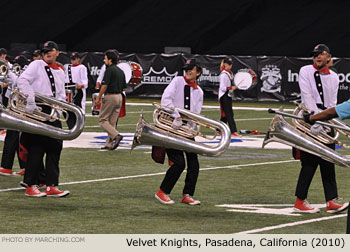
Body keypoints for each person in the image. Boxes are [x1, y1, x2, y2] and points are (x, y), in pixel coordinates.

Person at [293, 44, 348, 213]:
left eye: (321, 54)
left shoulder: (333, 77)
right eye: (315, 54)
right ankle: (300, 201)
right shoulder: (305, 70)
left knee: (329, 160)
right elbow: (307, 95)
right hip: (309, 119)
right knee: (309, 162)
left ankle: (331, 201)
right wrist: (315, 120)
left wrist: (327, 122)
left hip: (326, 121)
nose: (317, 56)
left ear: (328, 56)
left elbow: (332, 102)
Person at [16, 41, 69, 197]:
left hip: (53, 110)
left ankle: (51, 185)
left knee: (55, 147)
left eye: (50, 50)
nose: (47, 53)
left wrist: (60, 108)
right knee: (36, 148)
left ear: (57, 52)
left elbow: (61, 92)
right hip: (38, 108)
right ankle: (30, 185)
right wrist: (31, 100)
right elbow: (22, 81)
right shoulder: (36, 64)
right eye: (44, 51)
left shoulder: (60, 69)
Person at [155, 58, 203, 205]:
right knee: (179, 162)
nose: (188, 71)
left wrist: (194, 127)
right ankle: (162, 192)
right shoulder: (177, 81)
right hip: (170, 128)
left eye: (191, 69)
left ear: (198, 72)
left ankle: (187, 194)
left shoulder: (199, 91)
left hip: (186, 131)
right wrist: (176, 116)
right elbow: (166, 100)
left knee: (194, 164)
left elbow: (196, 113)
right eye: (186, 68)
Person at [0, 55, 28, 176]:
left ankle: (6, 167)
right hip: (15, 105)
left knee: (12, 137)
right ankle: (24, 166)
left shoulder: (22, 75)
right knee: (17, 138)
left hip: (20, 107)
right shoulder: (17, 75)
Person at [96, 49, 127, 150]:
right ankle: (109, 144)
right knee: (112, 122)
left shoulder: (109, 70)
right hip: (119, 96)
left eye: (105, 58)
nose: (104, 60)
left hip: (110, 96)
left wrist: (99, 97)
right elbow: (124, 87)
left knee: (102, 120)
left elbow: (104, 85)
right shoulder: (120, 71)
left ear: (110, 60)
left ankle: (116, 135)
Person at [218, 57, 240, 137]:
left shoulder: (229, 73)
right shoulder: (224, 75)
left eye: (231, 64)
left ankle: (219, 129)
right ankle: (233, 131)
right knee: (229, 114)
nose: (230, 66)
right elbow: (222, 88)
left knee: (225, 114)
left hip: (227, 95)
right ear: (225, 64)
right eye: (228, 64)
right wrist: (231, 88)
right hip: (224, 96)